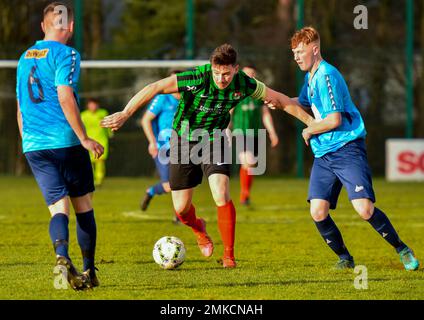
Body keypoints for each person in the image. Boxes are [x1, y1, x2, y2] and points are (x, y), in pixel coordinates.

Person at [101, 44, 314, 268]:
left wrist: (311, 122)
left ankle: (229, 256)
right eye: (217, 73)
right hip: (183, 140)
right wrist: (126, 113)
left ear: (236, 69)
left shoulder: (245, 83)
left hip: (215, 139)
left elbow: (279, 99)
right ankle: (198, 228)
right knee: (181, 209)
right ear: (211, 68)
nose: (221, 79)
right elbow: (155, 86)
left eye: (227, 74)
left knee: (221, 193)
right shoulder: (197, 77)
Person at [291, 26, 419, 270]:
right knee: (318, 211)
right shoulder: (310, 78)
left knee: (364, 208)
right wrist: (271, 97)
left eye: (300, 51)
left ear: (314, 49)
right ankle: (345, 259)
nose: (296, 57)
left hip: (346, 148)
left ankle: (402, 248)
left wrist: (308, 130)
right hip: (324, 154)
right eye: (294, 52)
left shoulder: (327, 75)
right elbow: (300, 102)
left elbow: (334, 120)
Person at [16, 2, 104, 290]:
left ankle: (61, 255)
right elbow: (65, 96)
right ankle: (89, 272)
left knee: (58, 208)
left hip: (34, 144)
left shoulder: (24, 57)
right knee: (83, 205)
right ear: (71, 27)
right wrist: (83, 138)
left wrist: (26, 141)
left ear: (43, 26)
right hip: (64, 141)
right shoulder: (67, 54)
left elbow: (20, 106)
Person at [231, 65, 279, 206]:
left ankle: (245, 194)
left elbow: (265, 114)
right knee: (249, 161)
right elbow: (229, 112)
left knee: (250, 165)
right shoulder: (235, 93)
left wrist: (272, 133)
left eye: (252, 74)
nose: (249, 77)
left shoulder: (259, 93)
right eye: (246, 74)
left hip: (255, 133)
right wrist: (226, 130)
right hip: (240, 132)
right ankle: (244, 193)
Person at [140, 84, 181, 224]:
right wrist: (152, 142)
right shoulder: (163, 98)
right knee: (170, 184)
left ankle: (179, 217)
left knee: (182, 183)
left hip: (182, 147)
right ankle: (151, 191)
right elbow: (146, 120)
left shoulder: (188, 99)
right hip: (162, 148)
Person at [81, 98, 112, 187]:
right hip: (88, 141)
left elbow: (108, 127)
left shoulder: (103, 113)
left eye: (94, 104)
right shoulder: (83, 115)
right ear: (88, 105)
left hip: (102, 140)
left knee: (100, 161)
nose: (93, 106)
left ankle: (99, 180)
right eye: (91, 104)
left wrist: (110, 135)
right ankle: (91, 179)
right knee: (89, 162)